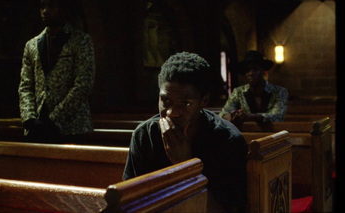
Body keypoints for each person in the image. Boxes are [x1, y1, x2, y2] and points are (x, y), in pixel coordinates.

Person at [122, 52, 247, 212]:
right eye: (165, 100)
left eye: (186, 103)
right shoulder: (144, 135)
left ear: (204, 101)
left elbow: (230, 210)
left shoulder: (228, 140)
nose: (172, 112)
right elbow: (131, 202)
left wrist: (186, 167)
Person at [18, 0, 95, 142]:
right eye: (42, 6)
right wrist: (29, 118)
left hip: (70, 127)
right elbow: (25, 86)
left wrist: (53, 119)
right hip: (37, 126)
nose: (45, 11)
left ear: (63, 9)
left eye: (51, 6)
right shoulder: (32, 45)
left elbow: (83, 84)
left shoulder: (81, 41)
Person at [219, 50, 288, 127]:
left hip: (273, 134)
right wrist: (232, 116)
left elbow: (278, 116)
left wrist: (250, 116)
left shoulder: (279, 92)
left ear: (263, 71)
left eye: (255, 69)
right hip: (246, 135)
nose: (251, 73)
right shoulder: (238, 92)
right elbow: (223, 114)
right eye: (248, 70)